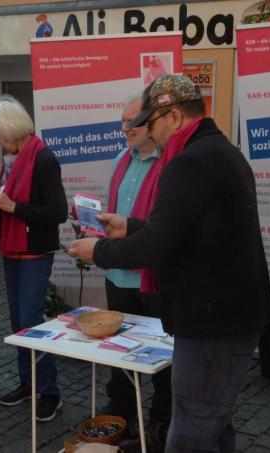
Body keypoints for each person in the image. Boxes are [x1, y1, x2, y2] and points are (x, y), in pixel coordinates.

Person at [67, 75, 270, 453]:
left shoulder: (190, 162)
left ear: (175, 117)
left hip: (212, 323)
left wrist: (97, 251)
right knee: (214, 426)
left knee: (190, 435)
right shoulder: (219, 152)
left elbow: (157, 245)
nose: (151, 132)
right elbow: (189, 231)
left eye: (152, 123)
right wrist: (130, 225)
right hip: (227, 318)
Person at [0, 94, 68, 422]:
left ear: (10, 128)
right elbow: (5, 208)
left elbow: (57, 212)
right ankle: (28, 383)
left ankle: (50, 392)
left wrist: (13, 207)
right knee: (19, 322)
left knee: (31, 321)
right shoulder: (12, 158)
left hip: (34, 252)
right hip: (13, 249)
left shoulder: (43, 159)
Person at [102, 95, 172, 449]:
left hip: (152, 278)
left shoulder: (169, 163)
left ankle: (162, 422)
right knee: (120, 351)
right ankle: (121, 414)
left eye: (133, 122)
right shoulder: (120, 159)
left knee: (161, 355)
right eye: (122, 121)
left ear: (152, 122)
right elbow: (114, 209)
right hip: (118, 275)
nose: (126, 128)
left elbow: (166, 227)